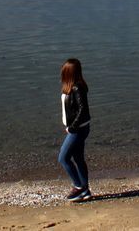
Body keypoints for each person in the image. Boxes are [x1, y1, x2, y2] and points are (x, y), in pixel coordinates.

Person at [58, 57, 92, 201]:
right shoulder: (73, 87)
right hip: (80, 128)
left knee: (63, 158)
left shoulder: (77, 88)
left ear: (68, 73)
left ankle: (78, 187)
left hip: (78, 130)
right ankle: (85, 190)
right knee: (78, 158)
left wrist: (72, 128)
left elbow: (82, 109)